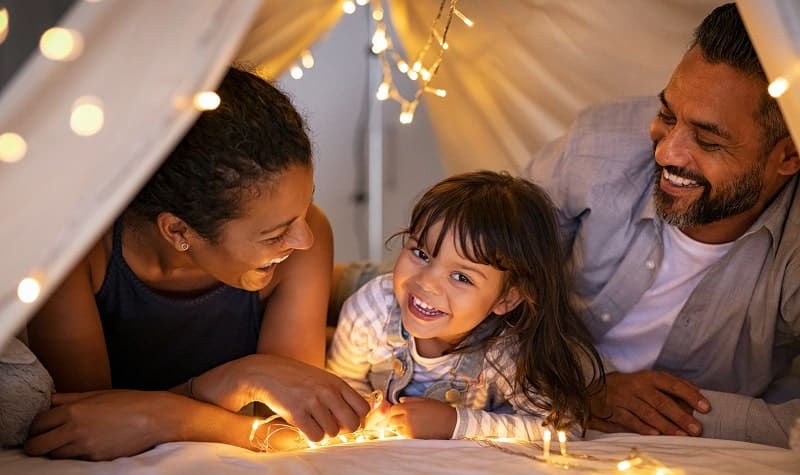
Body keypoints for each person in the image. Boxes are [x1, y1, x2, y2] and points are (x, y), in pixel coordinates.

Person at [22, 67, 370, 460]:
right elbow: (82, 425)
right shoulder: (73, 251)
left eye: (305, 208)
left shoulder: (308, 241)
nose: (302, 238)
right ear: (177, 231)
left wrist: (161, 417)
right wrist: (238, 378)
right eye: (275, 234)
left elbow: (290, 427)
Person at [525, 3, 799, 447]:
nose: (667, 153)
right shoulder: (598, 143)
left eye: (708, 140)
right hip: (534, 411)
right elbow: (486, 273)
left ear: (788, 157)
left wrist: (682, 419)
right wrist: (583, 387)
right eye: (668, 116)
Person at [327, 171, 604, 441]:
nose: (428, 283)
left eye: (461, 277)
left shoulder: (507, 348)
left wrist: (455, 424)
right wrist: (366, 413)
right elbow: (343, 388)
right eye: (421, 253)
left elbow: (563, 428)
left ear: (506, 298)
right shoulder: (371, 309)